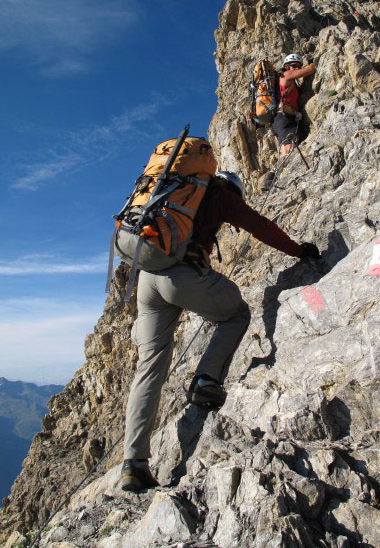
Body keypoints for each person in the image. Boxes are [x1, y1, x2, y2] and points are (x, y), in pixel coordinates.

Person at [121, 170, 320, 492]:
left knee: (150, 368)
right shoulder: (219, 195)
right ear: (235, 189)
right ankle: (206, 381)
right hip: (183, 276)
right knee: (236, 315)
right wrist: (299, 251)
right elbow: (261, 227)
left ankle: (134, 464)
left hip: (147, 279)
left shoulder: (172, 194)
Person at [261, 54, 316, 191]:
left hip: (282, 120)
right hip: (283, 118)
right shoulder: (287, 75)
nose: (297, 68)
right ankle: (273, 178)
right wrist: (311, 63)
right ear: (287, 66)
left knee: (286, 148)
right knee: (288, 149)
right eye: (294, 65)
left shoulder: (285, 80)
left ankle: (271, 177)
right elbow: (310, 69)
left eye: (298, 65)